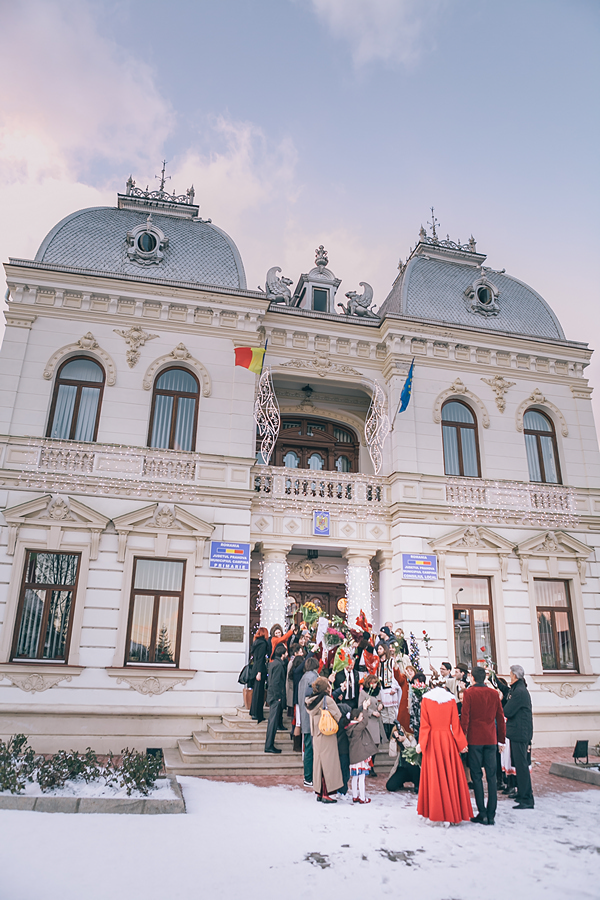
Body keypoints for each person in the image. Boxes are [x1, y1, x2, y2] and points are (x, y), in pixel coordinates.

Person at [416, 686, 473, 824]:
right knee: (450, 774)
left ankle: (435, 812)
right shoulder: (451, 700)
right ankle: (451, 811)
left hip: (432, 741)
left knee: (434, 775)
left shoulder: (426, 700)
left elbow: (425, 725)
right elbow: (455, 725)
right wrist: (461, 743)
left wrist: (421, 744)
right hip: (447, 740)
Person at [460, 665, 506, 825]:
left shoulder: (469, 693)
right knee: (492, 777)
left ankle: (482, 812)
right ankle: (491, 813)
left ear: (472, 677)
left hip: (474, 739)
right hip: (491, 739)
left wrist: (462, 739)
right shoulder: (494, 694)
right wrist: (501, 740)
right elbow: (500, 718)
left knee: (477, 776)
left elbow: (465, 718)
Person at [306, 677, 344, 803]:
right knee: (329, 765)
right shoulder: (327, 700)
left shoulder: (310, 700)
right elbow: (338, 715)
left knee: (319, 764)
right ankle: (327, 793)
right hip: (327, 733)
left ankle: (319, 791)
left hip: (316, 734)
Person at [504, 665, 534, 810]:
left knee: (521, 766)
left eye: (510, 675)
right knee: (518, 764)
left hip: (520, 733)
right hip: (518, 732)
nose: (510, 677)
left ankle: (527, 798)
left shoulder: (519, 692)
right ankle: (522, 793)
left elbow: (508, 711)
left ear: (515, 676)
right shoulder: (518, 689)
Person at [347, 705, 378, 804]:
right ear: (355, 718)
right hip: (360, 757)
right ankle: (362, 797)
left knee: (354, 777)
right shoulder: (356, 728)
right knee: (361, 777)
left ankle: (355, 796)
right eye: (361, 716)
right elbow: (365, 722)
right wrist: (365, 709)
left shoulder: (350, 728)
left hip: (354, 757)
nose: (362, 718)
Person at [358, 673, 386, 776]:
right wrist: (371, 712)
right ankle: (368, 766)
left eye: (375, 683)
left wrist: (380, 706)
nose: (374, 685)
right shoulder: (364, 693)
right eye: (372, 683)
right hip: (369, 721)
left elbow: (379, 702)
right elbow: (360, 706)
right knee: (370, 745)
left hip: (377, 720)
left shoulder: (378, 692)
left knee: (376, 745)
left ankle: (372, 764)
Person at [298, 657, 320, 786]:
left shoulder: (303, 677)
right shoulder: (312, 678)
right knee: (311, 748)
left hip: (304, 715)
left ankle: (308, 777)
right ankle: (309, 777)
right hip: (311, 717)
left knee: (308, 747)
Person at [264, 644, 288, 754]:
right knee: (272, 722)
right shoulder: (279, 665)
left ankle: (269, 745)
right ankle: (269, 745)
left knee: (272, 722)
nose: (287, 654)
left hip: (271, 695)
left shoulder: (273, 663)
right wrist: (278, 697)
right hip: (275, 696)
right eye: (286, 653)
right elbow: (276, 682)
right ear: (282, 654)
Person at [386, 722, 420, 794]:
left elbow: (412, 752)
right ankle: (400, 782)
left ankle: (417, 784)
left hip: (413, 767)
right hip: (402, 768)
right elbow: (392, 755)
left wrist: (404, 740)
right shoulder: (395, 742)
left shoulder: (411, 738)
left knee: (414, 768)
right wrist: (393, 740)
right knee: (390, 786)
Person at [377, 643, 401, 739]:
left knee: (391, 712)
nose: (378, 650)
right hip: (382, 690)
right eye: (378, 649)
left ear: (385, 650)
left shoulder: (391, 661)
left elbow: (395, 675)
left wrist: (394, 687)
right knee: (384, 713)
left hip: (390, 689)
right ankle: (386, 734)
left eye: (380, 648)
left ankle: (392, 733)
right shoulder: (378, 662)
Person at [248, 627, 269, 723]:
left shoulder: (256, 642)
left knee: (256, 692)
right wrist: (259, 672)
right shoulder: (263, 644)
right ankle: (257, 714)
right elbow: (261, 658)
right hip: (259, 670)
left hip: (255, 669)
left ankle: (254, 712)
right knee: (259, 693)